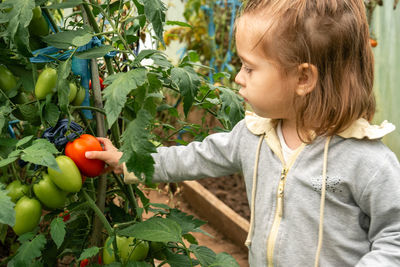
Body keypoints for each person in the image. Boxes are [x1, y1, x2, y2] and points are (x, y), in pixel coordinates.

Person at [85, 0, 400, 266]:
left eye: (250, 67)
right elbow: (192, 158)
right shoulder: (253, 136)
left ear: (303, 78)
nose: (238, 77)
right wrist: (129, 161)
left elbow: (394, 235)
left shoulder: (365, 159)